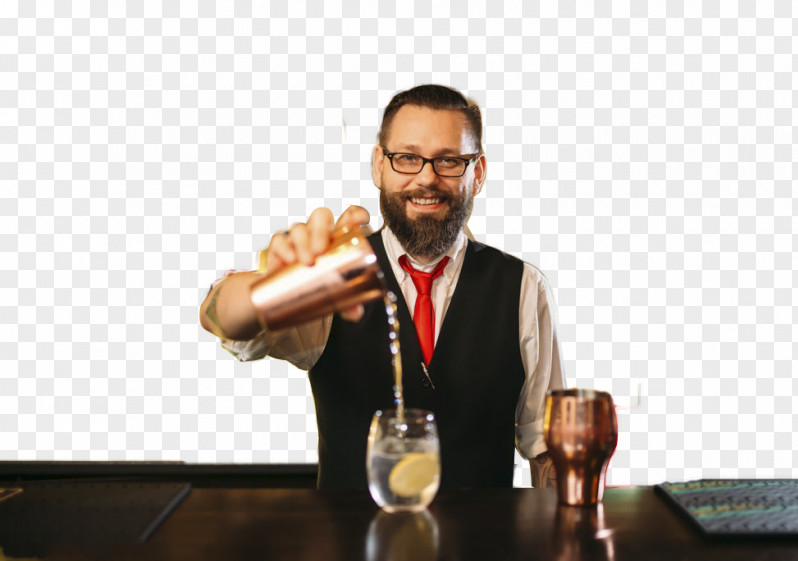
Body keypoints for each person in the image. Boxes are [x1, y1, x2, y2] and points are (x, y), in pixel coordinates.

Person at [200, 84, 564, 490]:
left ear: (477, 173)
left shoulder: (524, 288)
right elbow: (223, 319)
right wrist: (268, 288)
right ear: (379, 166)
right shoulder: (331, 277)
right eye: (407, 158)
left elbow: (546, 447)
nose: (427, 177)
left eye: (449, 161)